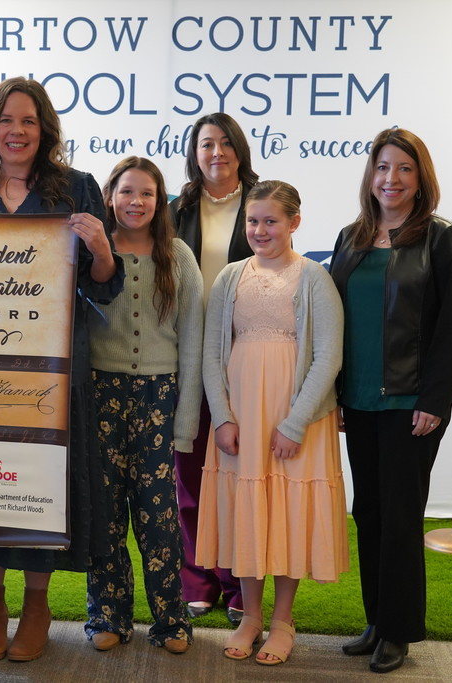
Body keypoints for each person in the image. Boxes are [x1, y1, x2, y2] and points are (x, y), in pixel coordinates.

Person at [0, 76, 124, 663]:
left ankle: (37, 606)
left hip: (51, 370)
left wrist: (104, 251)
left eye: (29, 121)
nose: (17, 131)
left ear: (45, 130)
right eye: (7, 120)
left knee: (39, 485)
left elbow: (103, 290)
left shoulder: (78, 188)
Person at [330, 128, 452, 674]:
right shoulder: (352, 236)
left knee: (401, 515)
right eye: (383, 168)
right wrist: (337, 394)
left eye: (404, 169)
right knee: (368, 511)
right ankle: (376, 619)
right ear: (371, 175)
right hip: (359, 400)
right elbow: (338, 319)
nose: (391, 179)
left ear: (420, 178)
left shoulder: (441, 239)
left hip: (414, 403)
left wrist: (434, 397)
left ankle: (399, 631)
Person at [198, 180, 349, 666]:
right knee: (249, 509)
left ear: (294, 223)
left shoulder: (313, 278)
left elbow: (328, 357)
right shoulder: (229, 277)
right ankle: (251, 616)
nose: (260, 230)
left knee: (287, 512)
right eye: (253, 221)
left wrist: (295, 423)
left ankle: (283, 621)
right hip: (241, 412)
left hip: (295, 416)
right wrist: (221, 416)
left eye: (271, 221)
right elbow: (210, 352)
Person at [84, 157, 202, 654]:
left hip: (159, 395)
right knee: (105, 512)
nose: (136, 202)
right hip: (99, 394)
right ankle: (108, 616)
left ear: (161, 201)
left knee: (157, 515)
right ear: (110, 195)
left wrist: (186, 420)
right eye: (127, 192)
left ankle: (171, 620)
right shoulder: (94, 250)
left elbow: (193, 339)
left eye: (147, 193)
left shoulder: (177, 255)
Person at [168, 112, 256, 625]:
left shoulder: (261, 202)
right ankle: (197, 578)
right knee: (190, 473)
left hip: (246, 355)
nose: (216, 152)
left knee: (241, 474)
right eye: (206, 144)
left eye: (225, 143)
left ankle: (238, 580)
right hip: (185, 353)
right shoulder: (177, 208)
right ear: (194, 153)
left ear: (239, 149)